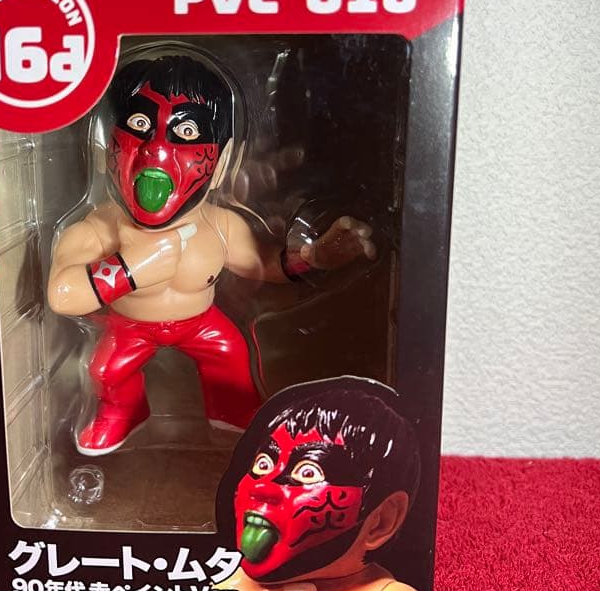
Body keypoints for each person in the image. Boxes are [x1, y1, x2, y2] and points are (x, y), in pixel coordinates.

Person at [48, 52, 374, 455]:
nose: (156, 151)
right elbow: (62, 294)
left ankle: (233, 417)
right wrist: (129, 269)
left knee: (232, 355)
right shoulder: (103, 227)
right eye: (140, 125)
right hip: (129, 327)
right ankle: (125, 410)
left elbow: (264, 264)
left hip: (200, 324)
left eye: (186, 132)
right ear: (106, 147)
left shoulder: (219, 225)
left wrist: (314, 256)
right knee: (106, 371)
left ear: (220, 162)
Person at [170, 377, 431, 591]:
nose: (262, 488)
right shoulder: (242, 581)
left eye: (308, 473)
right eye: (263, 464)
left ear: (381, 521)